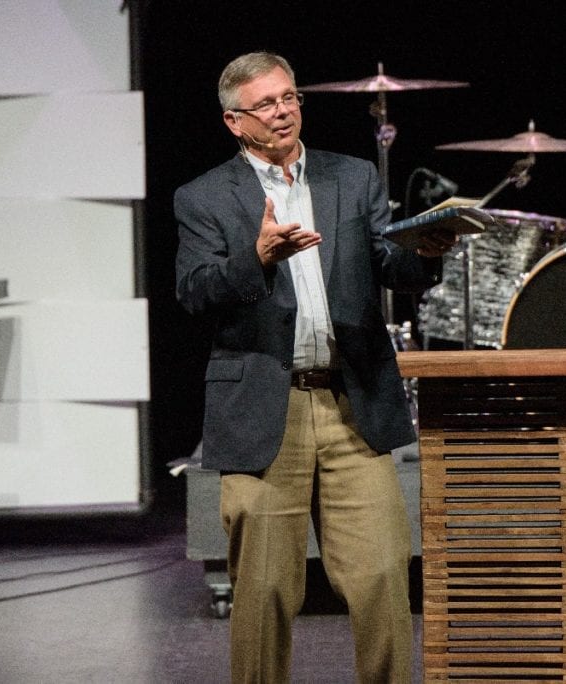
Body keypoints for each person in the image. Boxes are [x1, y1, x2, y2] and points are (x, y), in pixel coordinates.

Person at [174, 51, 457, 683]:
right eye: (266, 104)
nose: (283, 111)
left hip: (350, 403)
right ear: (234, 122)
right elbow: (194, 291)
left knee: (384, 576)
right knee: (266, 592)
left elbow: (393, 266)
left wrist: (429, 251)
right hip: (263, 410)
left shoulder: (350, 178)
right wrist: (259, 258)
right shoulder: (203, 197)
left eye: (290, 97)